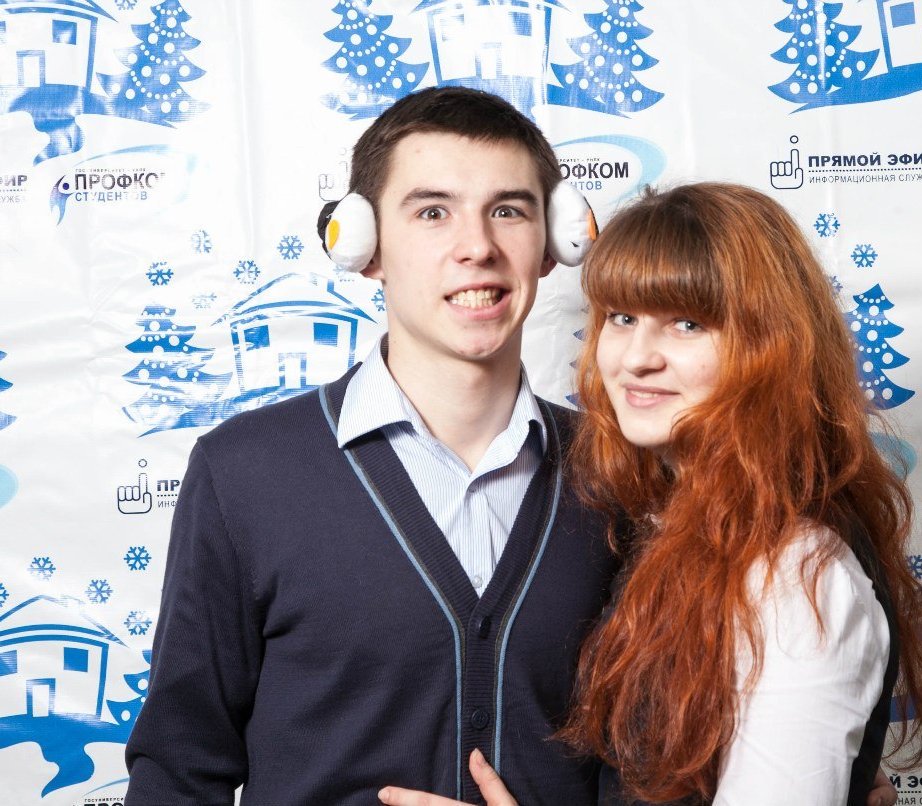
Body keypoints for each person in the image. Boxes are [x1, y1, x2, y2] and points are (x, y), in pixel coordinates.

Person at [124, 86, 619, 805]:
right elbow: (177, 773)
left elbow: (650, 772)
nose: (477, 247)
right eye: (432, 212)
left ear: (554, 243)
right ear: (364, 246)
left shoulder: (620, 479)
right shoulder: (244, 474)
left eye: (508, 210)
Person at [380, 183, 922, 806]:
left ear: (772, 347)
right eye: (621, 318)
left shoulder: (794, 570)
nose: (636, 358)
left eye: (687, 324)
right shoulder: (661, 518)